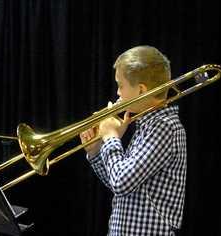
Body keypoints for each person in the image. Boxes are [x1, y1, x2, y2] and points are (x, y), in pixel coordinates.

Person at [80, 45, 187, 236]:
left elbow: (122, 182)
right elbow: (119, 185)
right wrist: (95, 150)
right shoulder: (146, 125)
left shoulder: (164, 127)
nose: (118, 93)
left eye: (120, 85)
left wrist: (111, 137)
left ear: (140, 90)